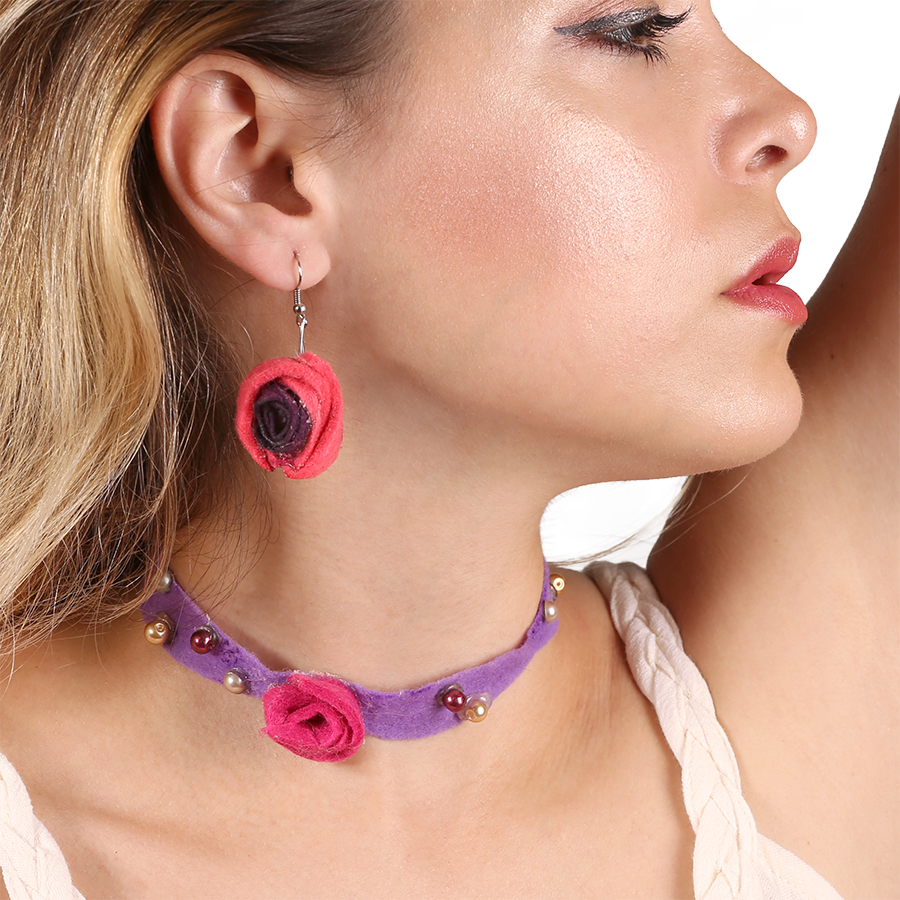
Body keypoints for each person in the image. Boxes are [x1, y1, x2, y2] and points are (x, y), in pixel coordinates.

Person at [0, 0, 896, 897]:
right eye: (631, 30)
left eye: (721, 21)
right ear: (258, 169)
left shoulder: (757, 722)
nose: (790, 121)